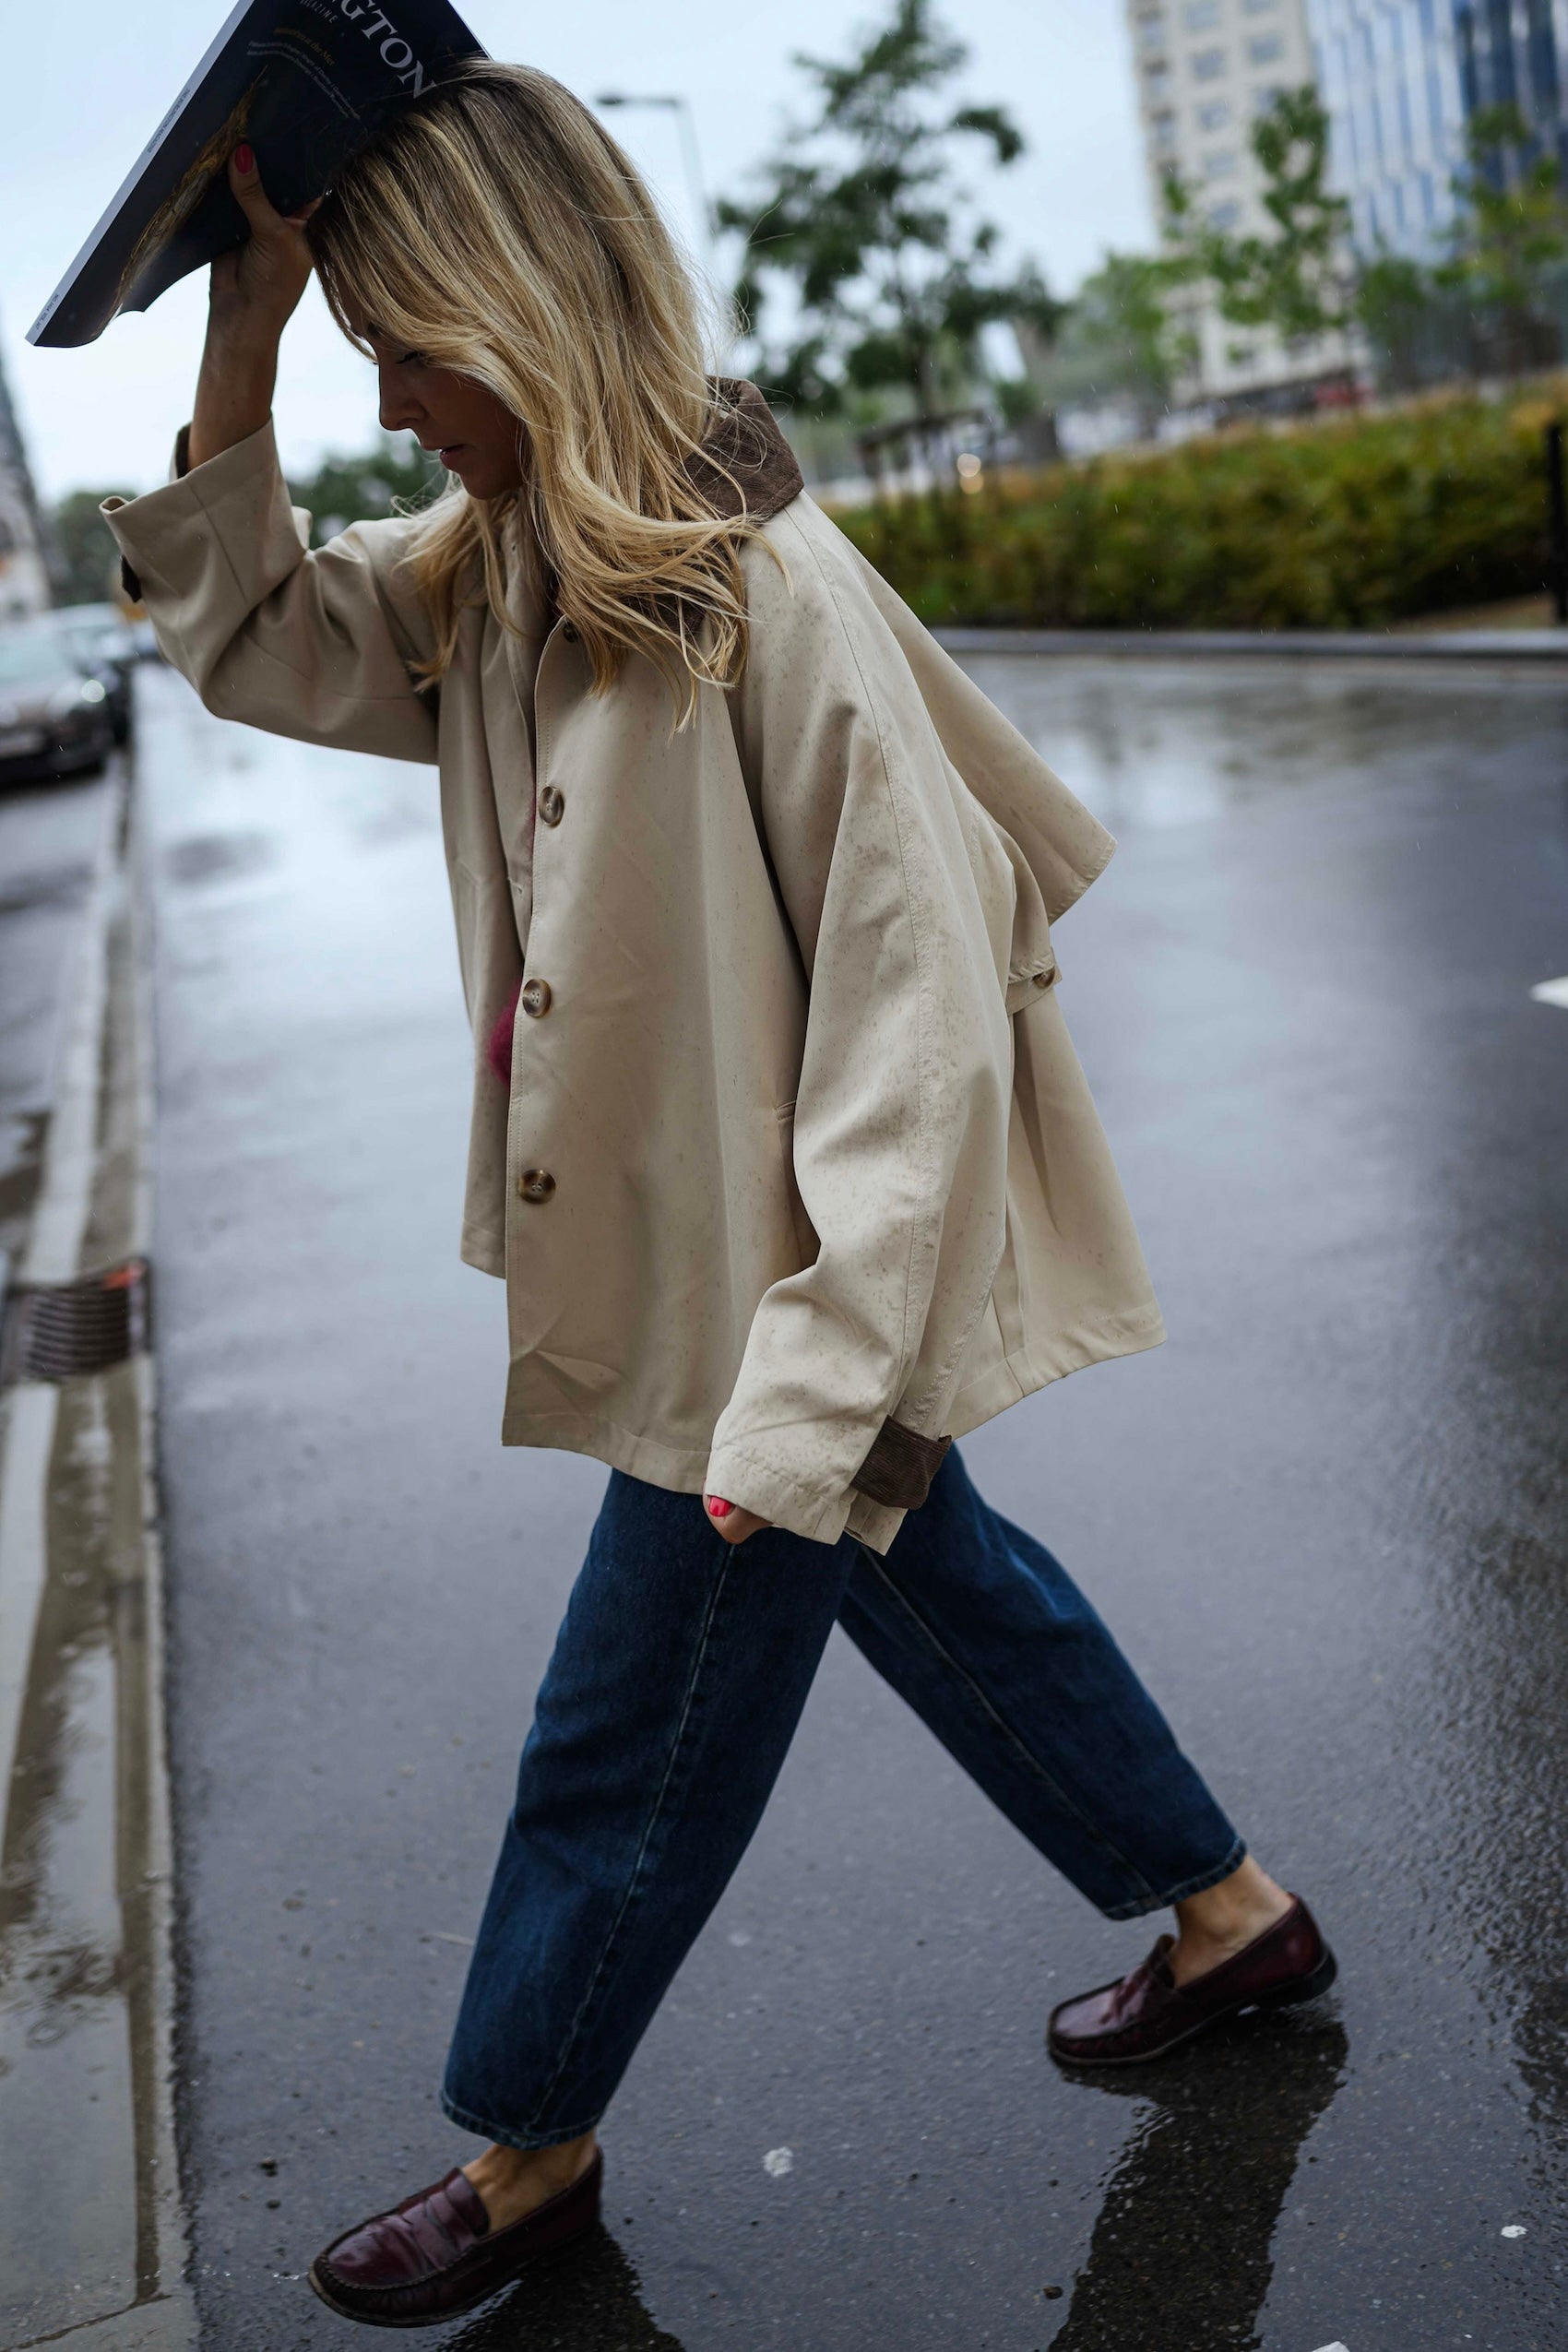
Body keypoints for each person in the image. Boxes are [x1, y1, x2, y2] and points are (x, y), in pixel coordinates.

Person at [104, 62, 1336, 2332]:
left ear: (523, 302)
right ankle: (1231, 1914)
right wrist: (251, 328)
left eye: (405, 343)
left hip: (771, 1308)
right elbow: (260, 634)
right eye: (362, 353)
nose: (390, 402)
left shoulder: (764, 595)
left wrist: (804, 1398)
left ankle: (529, 2138)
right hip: (720, 1277)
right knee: (939, 1579)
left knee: (621, 1732)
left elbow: (914, 1031)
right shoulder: (503, 577)